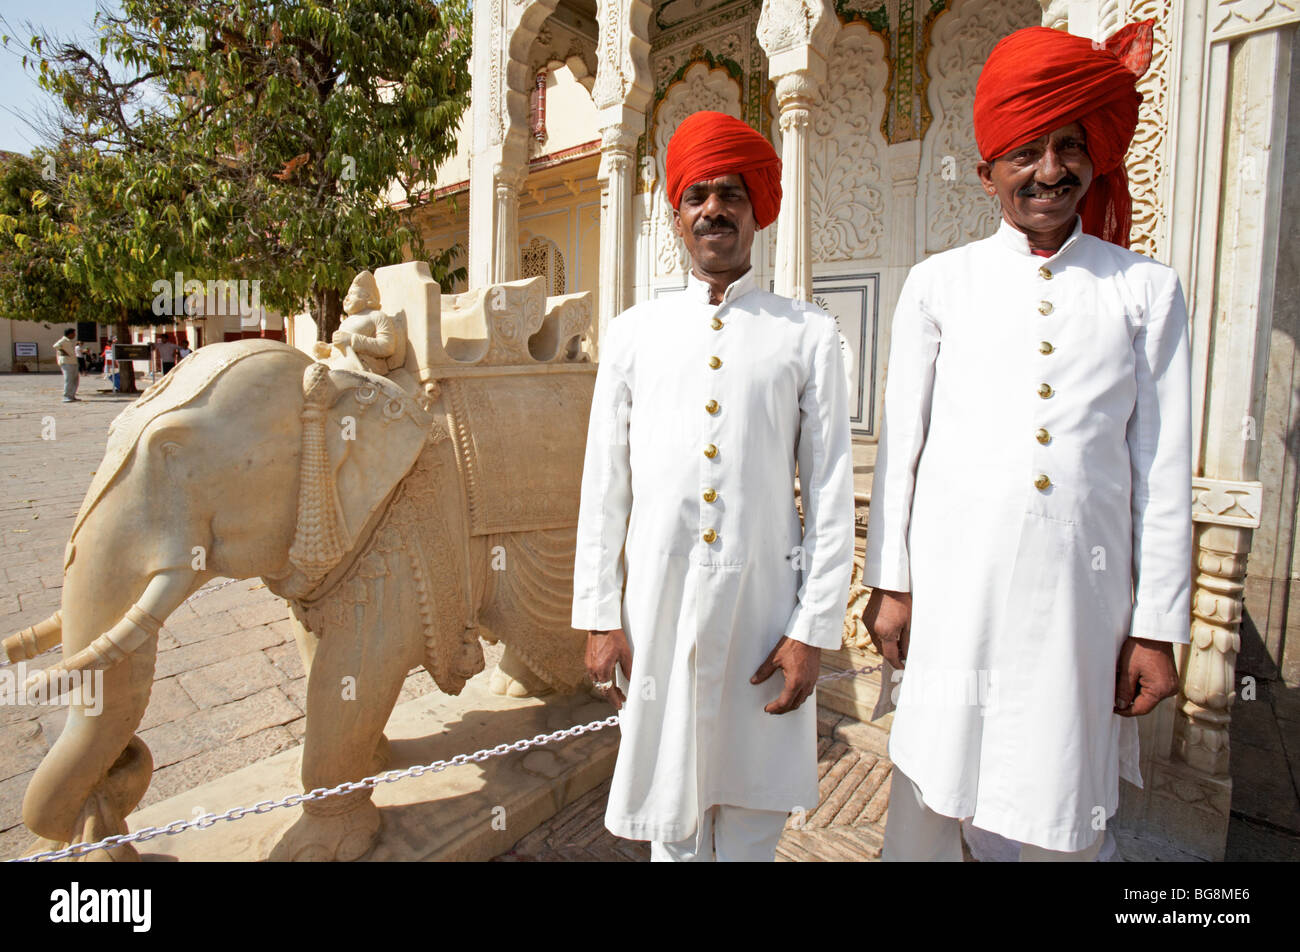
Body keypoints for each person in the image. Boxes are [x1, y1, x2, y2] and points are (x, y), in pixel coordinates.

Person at [862, 20, 1191, 862]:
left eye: (1069, 147)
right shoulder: (940, 283)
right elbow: (903, 449)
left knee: (1059, 801)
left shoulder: (1144, 290)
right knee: (939, 789)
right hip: (955, 596)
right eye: (1027, 152)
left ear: (1092, 158)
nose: (1050, 171)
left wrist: (1156, 625)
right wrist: (891, 582)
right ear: (987, 172)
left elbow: (1160, 465)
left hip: (1082, 606)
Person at [572, 110, 856, 862]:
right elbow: (604, 487)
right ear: (676, 214)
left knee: (755, 811)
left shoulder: (807, 334)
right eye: (697, 196)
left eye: (731, 194)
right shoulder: (634, 333)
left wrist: (812, 630)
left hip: (765, 618)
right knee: (671, 817)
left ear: (757, 209)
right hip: (658, 613)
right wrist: (601, 615)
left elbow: (829, 496)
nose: (714, 211)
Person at [322, 271, 406, 376]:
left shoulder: (377, 316)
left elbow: (387, 347)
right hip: (339, 362)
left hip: (363, 366)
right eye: (347, 295)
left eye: (352, 294)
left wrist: (352, 340)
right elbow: (344, 346)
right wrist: (328, 348)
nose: (346, 298)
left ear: (368, 297)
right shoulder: (347, 321)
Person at [53, 329, 80, 402]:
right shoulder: (63, 340)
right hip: (66, 362)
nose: (74, 335)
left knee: (75, 380)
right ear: (70, 334)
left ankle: (72, 395)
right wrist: (63, 352)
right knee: (69, 379)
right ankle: (66, 396)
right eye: (73, 334)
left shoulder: (69, 341)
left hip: (73, 362)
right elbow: (56, 346)